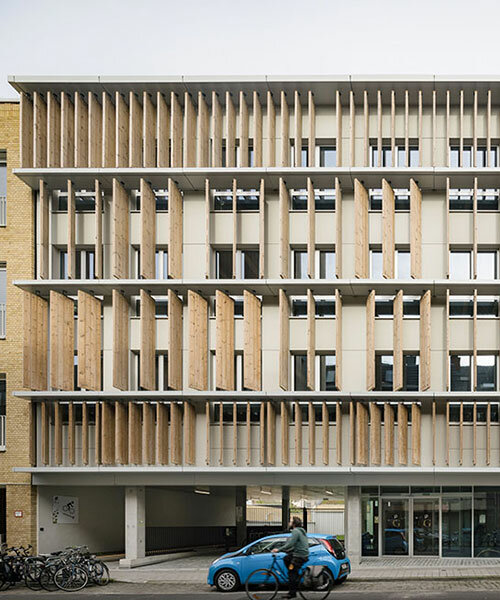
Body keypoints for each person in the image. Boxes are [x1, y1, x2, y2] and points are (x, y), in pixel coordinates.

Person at [272, 516, 309, 599]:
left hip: (299, 555)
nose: (289, 522)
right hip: (302, 554)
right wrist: (287, 550)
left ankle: (292, 593)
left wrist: (278, 549)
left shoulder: (295, 531)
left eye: (290, 521)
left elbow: (290, 544)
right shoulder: (302, 531)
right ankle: (294, 576)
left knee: (291, 573)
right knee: (286, 558)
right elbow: (296, 545)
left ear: (294, 524)